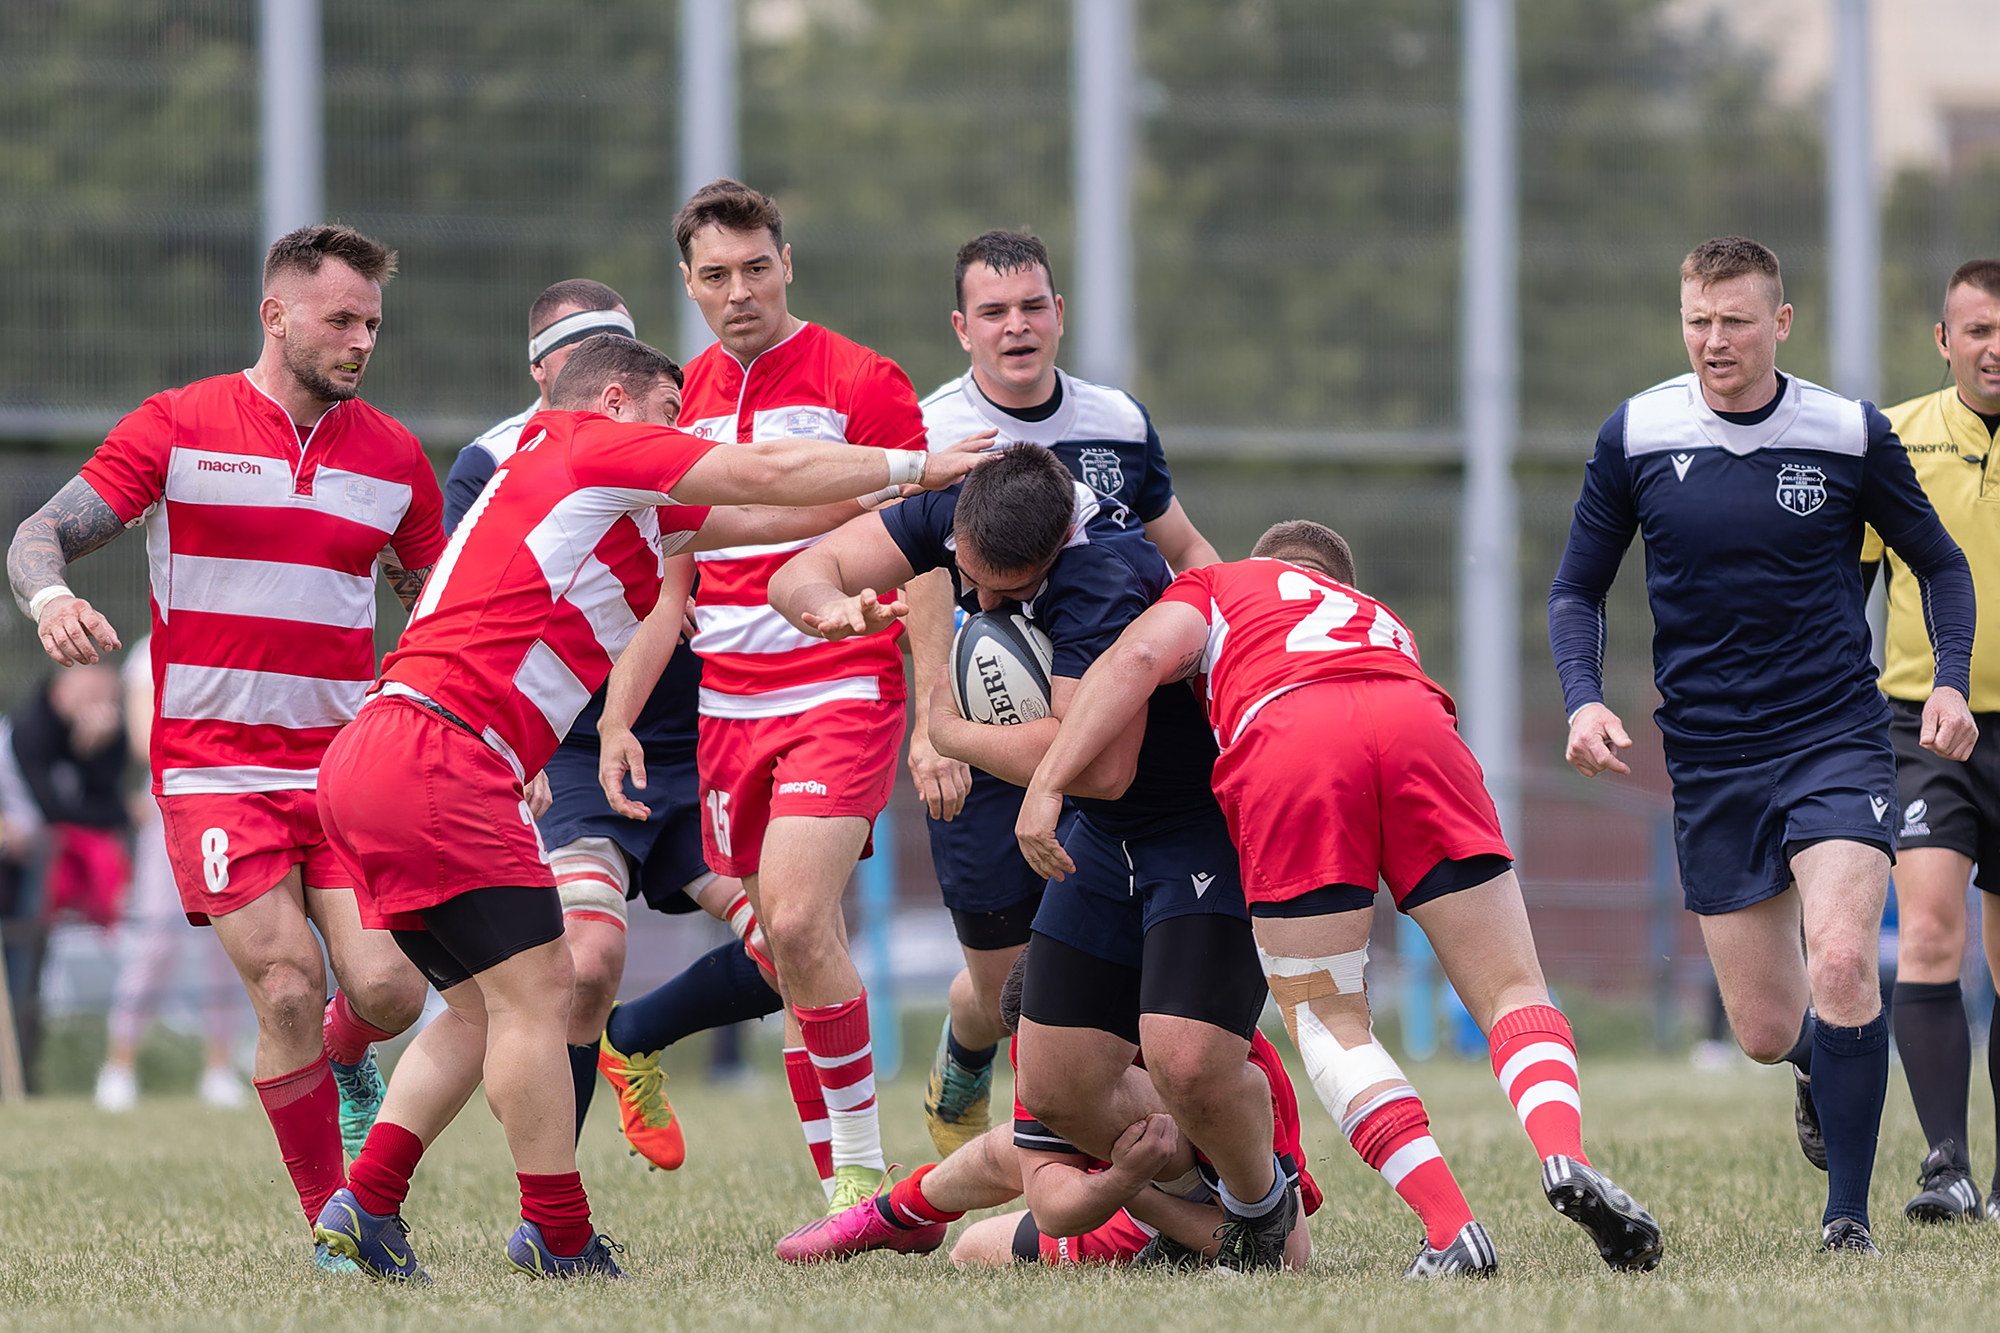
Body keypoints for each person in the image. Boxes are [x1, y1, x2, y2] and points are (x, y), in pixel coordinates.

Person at [310, 333, 984, 1281]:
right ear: (621, 401)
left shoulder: (585, 489)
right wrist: (923, 461)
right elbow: (765, 464)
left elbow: (763, 507)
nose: (684, 435)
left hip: (385, 748)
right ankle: (560, 1231)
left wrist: (915, 506)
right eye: (674, 416)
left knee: (477, 1007)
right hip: (440, 752)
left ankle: (365, 1204)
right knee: (542, 992)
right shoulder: (591, 442)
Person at [1017, 520, 1664, 1276]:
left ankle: (1450, 1225)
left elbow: (1136, 654)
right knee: (1514, 985)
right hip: (1418, 720)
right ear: (1343, 586)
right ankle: (1564, 1152)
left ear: (1265, 567)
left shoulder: (1221, 584)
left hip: (1293, 736)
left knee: (1330, 1019)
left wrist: (1050, 779)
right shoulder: (1381, 621)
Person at [6, 224, 442, 1273]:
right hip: (214, 771)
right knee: (288, 984)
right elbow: (38, 532)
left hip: (344, 768)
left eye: (372, 323)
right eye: (340, 318)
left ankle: (346, 1064)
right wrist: (51, 596)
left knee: (389, 992)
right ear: (275, 314)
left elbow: (435, 600)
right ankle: (334, 1227)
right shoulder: (179, 426)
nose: (359, 340)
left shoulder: (392, 457)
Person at [1549, 236, 1977, 1254]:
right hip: (1708, 756)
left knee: (1840, 959)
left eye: (1734, 321)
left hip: (1833, 731)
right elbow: (1576, 588)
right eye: (1697, 321)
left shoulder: (1842, 432)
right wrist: (1579, 700)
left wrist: (1948, 678)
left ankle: (1846, 1221)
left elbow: (1939, 566)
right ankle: (1807, 1069)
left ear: (1777, 323)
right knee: (1764, 1028)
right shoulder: (1637, 434)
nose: (1713, 341)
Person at [769, 444, 1291, 1271]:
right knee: (1051, 1089)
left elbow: (1100, 766)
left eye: (1005, 594)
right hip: (1100, 837)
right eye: (966, 577)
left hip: (1195, 828)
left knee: (1187, 1060)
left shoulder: (1105, 573)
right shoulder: (968, 506)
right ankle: (1210, 1213)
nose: (978, 601)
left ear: (1051, 554)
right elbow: (808, 564)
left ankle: (1262, 1208)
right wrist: (825, 606)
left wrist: (948, 731)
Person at [444, 279, 777, 1168]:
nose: (595, 371)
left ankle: (640, 1039)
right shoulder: (490, 462)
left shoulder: (666, 441)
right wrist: (506, 738)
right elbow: (468, 616)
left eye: (613, 346)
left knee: (795, 947)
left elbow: (739, 524)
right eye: (573, 350)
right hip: (580, 754)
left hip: (695, 741)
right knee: (583, 961)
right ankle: (555, 1208)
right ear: (542, 370)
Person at [906, 229, 1220, 1156]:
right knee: (1008, 981)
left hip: (1100, 732)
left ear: (1060, 313)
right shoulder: (930, 430)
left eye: (1033, 306)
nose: (1017, 327)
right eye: (994, 312)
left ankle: (1078, 1164)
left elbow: (1187, 551)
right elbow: (920, 579)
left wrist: (1227, 656)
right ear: (962, 327)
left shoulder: (1117, 422)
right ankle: (968, 1050)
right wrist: (934, 728)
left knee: (1071, 983)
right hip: (977, 727)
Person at [658, 178, 930, 1216]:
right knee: (781, 940)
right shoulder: (677, 393)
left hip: (841, 682)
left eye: (756, 268)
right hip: (727, 700)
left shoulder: (863, 377)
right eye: (716, 275)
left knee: (805, 916)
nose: (740, 292)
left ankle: (863, 1167)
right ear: (688, 285)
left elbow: (927, 546)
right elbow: (665, 542)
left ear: (787, 263)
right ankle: (841, 1188)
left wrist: (935, 710)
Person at [778, 946, 1319, 1269]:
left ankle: (895, 1215)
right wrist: (1123, 1182)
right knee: (980, 1223)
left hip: (1183, 1216)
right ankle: (895, 1217)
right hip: (1124, 1199)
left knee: (981, 1236)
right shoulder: (1050, 1042)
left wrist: (1138, 1192)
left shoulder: (1224, 1065)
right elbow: (1052, 1204)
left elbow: (1289, 1254)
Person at [1861, 257, 2000, 1222]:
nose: (1996, 348)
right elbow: (1846, 588)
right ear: (1944, 340)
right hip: (1927, 724)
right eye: (1979, 330)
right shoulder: (1899, 439)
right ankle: (1944, 1162)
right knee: (1934, 932)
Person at [97, 638, 246, 1113]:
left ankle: (219, 1068)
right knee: (157, 939)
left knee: (230, 941)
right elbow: (146, 742)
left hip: (230, 804)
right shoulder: (147, 653)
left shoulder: (232, 643)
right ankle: (118, 1066)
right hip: (171, 806)